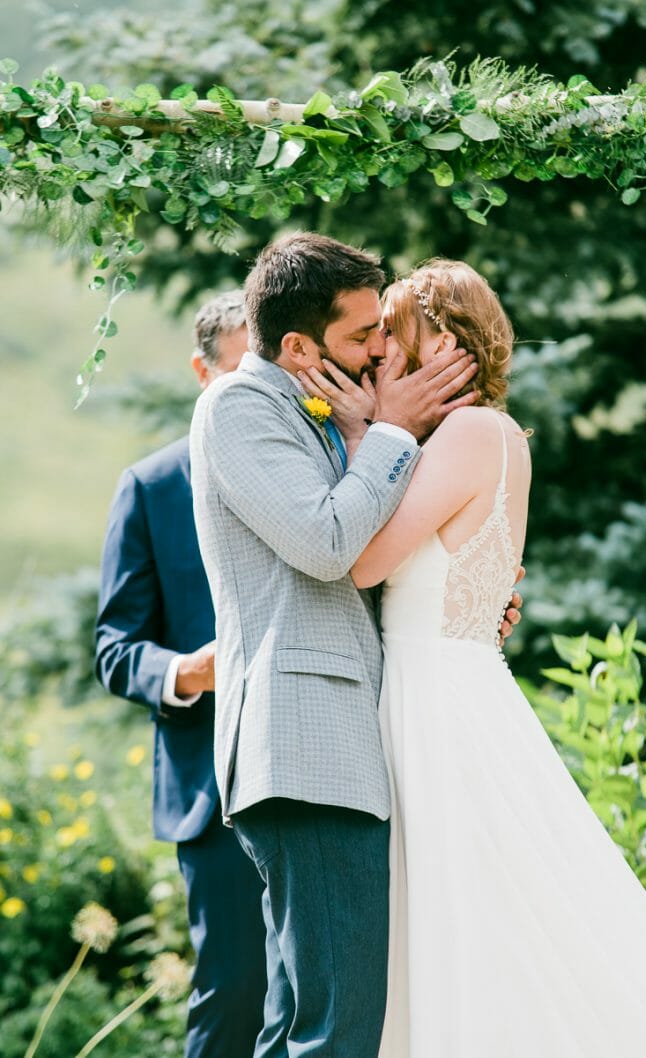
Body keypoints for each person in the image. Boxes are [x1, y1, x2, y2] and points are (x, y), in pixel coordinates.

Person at [326, 258, 646, 1057]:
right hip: (439, 684)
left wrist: (371, 428)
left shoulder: (469, 433)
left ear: (442, 345)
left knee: (471, 908)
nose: (380, 353)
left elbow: (360, 562)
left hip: (439, 700)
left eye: (394, 333)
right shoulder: (478, 436)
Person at [188, 232, 496, 1058]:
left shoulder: (318, 408)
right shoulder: (240, 408)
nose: (377, 351)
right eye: (362, 334)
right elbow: (327, 545)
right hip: (304, 750)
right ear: (296, 344)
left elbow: (370, 546)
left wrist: (456, 597)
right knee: (338, 1032)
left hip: (336, 751)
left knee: (304, 1024)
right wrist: (391, 433)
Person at [95, 291, 267, 1058]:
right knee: (232, 992)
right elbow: (114, 646)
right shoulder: (152, 486)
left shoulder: (320, 460)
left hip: (327, 767)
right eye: (240, 375)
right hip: (213, 786)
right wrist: (186, 674)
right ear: (202, 372)